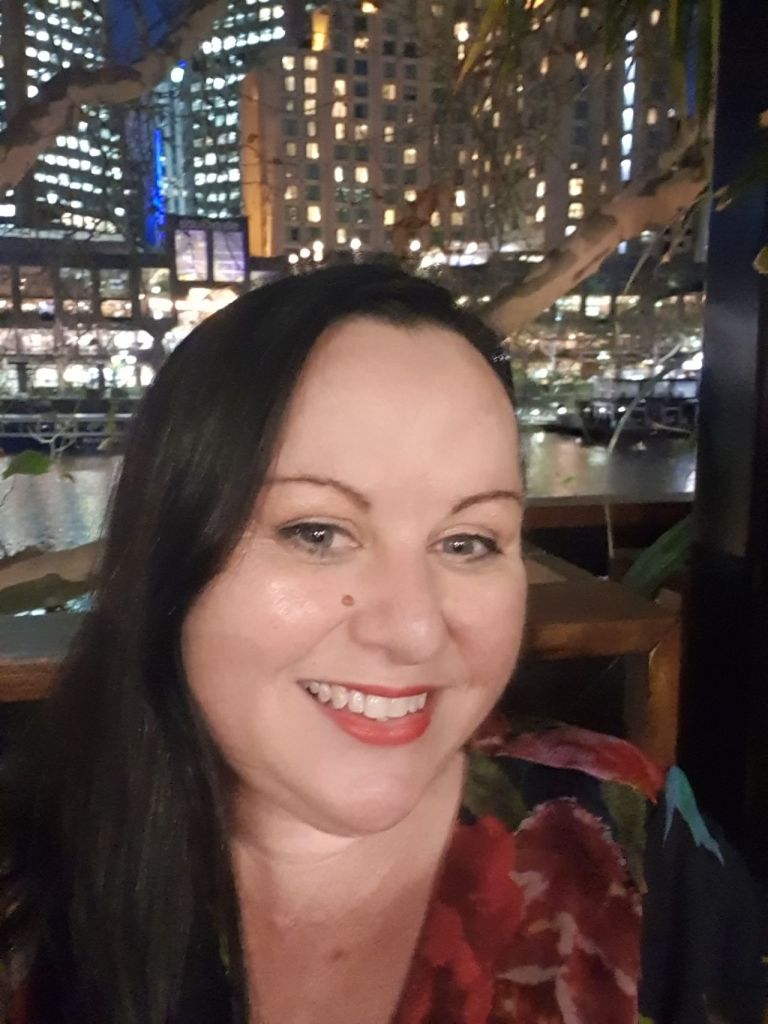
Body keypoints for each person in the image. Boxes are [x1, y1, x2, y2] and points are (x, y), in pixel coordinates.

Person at [0, 264, 764, 1024]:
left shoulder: (628, 845)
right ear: (169, 561)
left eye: (467, 542)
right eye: (317, 532)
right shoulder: (28, 896)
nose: (416, 629)